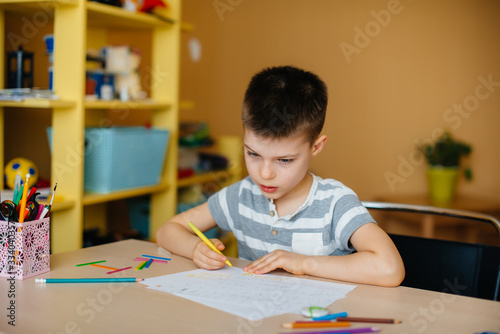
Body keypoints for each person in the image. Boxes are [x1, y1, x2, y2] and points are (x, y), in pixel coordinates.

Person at [157, 65, 405, 287]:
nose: (264, 174)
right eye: (253, 154)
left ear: (316, 147)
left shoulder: (335, 203)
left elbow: (390, 269)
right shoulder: (241, 196)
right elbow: (168, 230)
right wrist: (196, 249)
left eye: (284, 160)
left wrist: (305, 263)